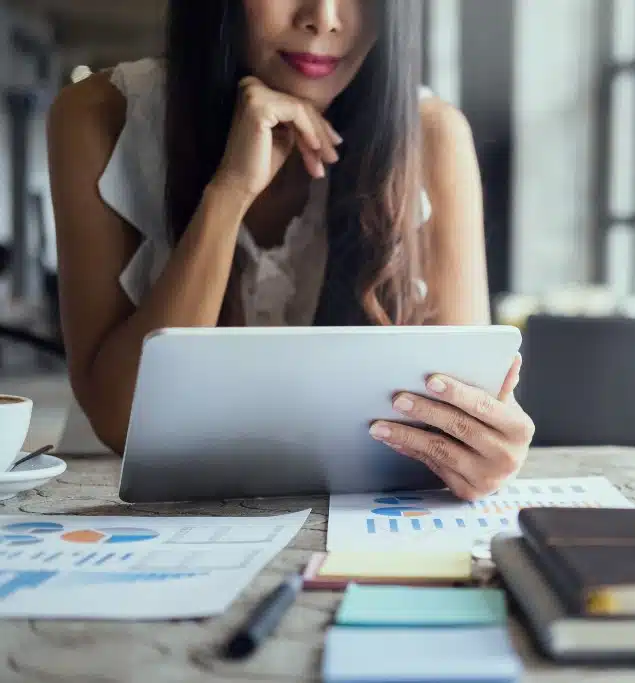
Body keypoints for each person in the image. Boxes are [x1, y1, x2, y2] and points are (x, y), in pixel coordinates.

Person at [47, 0, 535, 500]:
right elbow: (120, 423)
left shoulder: (433, 135)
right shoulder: (100, 116)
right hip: (122, 512)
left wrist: (483, 447)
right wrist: (230, 192)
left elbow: (460, 415)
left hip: (345, 516)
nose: (323, 17)